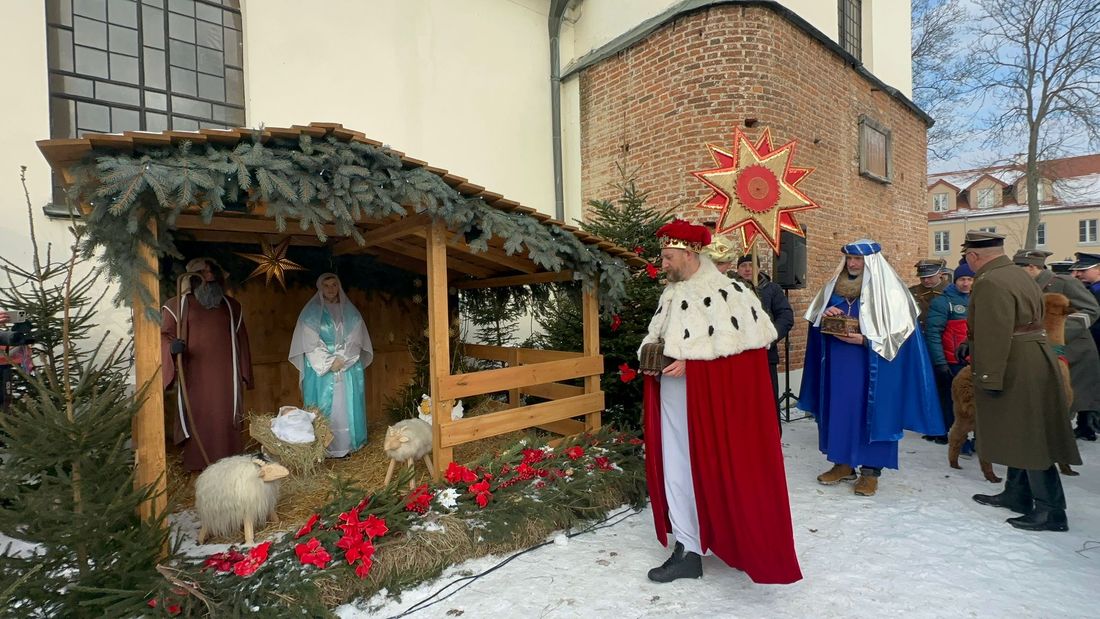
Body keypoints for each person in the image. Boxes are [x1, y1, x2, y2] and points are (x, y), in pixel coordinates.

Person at [639, 219, 801, 585]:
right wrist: (654, 356)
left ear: (688, 253)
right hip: (672, 399)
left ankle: (728, 539)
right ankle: (687, 547)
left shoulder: (732, 293)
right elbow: (656, 336)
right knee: (676, 469)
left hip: (710, 407)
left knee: (708, 467)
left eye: (667, 257)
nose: (662, 264)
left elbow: (746, 359)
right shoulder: (670, 294)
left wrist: (695, 366)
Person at [799, 239, 944, 497]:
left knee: (875, 415)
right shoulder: (833, 288)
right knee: (840, 412)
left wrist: (866, 340)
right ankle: (842, 464)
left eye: (858, 260)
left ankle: (870, 472)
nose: (853, 264)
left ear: (872, 262)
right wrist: (825, 313)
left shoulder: (890, 293)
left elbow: (901, 336)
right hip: (838, 366)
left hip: (875, 368)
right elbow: (816, 323)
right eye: (849, 259)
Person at [964, 232, 1080, 532]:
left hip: (1015, 362)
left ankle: (1051, 511)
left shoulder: (990, 281)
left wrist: (987, 374)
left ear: (974, 257)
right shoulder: (1017, 273)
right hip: (1032, 356)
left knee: (1030, 435)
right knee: (1020, 430)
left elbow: (994, 332)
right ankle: (1017, 494)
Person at [161, 257, 254, 472]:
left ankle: (230, 463)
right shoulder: (177, 305)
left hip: (226, 377)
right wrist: (171, 348)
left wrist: (245, 373)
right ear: (193, 278)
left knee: (225, 416)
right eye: (203, 273)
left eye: (213, 272)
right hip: (194, 374)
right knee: (198, 415)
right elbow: (164, 335)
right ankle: (197, 464)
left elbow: (242, 340)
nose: (209, 276)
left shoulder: (232, 307)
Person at [702, 239, 795, 430]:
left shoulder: (772, 289)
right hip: (737, 355)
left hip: (765, 353)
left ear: (759, 267)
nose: (747, 269)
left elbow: (785, 316)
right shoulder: (727, 288)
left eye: (751, 265)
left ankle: (772, 438)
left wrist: (769, 336)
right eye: (743, 265)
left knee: (767, 401)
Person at [1014, 248, 1100, 443]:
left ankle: (1063, 437)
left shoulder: (1064, 282)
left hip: (1074, 349)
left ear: (1032, 267)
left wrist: (1058, 330)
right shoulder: (1027, 285)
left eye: (1019, 267)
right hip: (1045, 347)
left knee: (1067, 396)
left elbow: (1090, 310)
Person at [289, 273, 374, 457]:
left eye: (334, 284)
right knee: (326, 406)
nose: (330, 289)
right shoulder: (310, 314)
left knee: (345, 405)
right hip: (322, 369)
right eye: (326, 285)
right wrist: (328, 362)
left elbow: (355, 337)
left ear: (339, 286)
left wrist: (342, 359)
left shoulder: (350, 313)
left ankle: (348, 445)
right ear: (320, 288)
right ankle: (325, 448)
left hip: (347, 367)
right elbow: (309, 341)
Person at [923, 259, 975, 445]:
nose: (966, 283)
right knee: (950, 400)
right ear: (955, 281)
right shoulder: (943, 302)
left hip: (974, 360)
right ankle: (951, 434)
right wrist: (940, 362)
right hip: (951, 361)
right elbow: (934, 334)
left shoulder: (979, 300)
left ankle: (976, 437)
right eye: (962, 279)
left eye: (970, 279)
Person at [1069, 251, 1100, 439]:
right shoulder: (1090, 290)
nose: (1079, 274)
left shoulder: (1095, 292)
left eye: (1083, 270)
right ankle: (1086, 424)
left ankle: (1091, 423)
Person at [909, 257, 948, 327]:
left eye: (930, 277)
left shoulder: (951, 291)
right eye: (922, 278)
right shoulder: (912, 292)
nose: (926, 280)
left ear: (940, 273)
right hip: (920, 334)